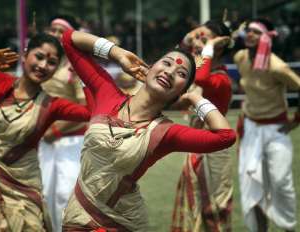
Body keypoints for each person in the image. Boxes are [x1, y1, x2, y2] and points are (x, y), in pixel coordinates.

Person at [59, 29, 237, 231]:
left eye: (181, 74)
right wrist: (118, 54)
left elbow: (225, 136)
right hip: (77, 217)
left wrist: (196, 98)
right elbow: (68, 39)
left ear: (181, 91)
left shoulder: (166, 133)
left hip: (120, 222)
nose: (170, 72)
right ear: (150, 68)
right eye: (166, 63)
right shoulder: (106, 93)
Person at [0, 33, 91, 231]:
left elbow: (91, 112)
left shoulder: (50, 105)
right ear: (25, 55)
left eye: (52, 62)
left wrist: (82, 73)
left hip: (25, 189)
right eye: (39, 56)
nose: (43, 65)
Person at [234, 18, 300, 232]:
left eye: (256, 31)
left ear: (266, 37)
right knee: (251, 182)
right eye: (248, 31)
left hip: (276, 129)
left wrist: (295, 121)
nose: (250, 34)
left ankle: (288, 227)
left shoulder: (277, 66)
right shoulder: (240, 57)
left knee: (281, 183)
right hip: (250, 127)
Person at [171, 20, 234, 232]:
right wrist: (191, 38)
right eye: (197, 37)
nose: (197, 43)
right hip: (195, 145)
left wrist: (207, 47)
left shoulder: (221, 79)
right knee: (193, 206)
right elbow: (174, 59)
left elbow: (201, 77)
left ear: (218, 47)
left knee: (215, 209)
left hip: (214, 150)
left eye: (204, 40)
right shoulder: (200, 68)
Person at [38, 16, 87, 232]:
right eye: (53, 29)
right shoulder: (42, 63)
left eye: (61, 30)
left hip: (71, 141)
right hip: (43, 140)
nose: (56, 34)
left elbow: (87, 109)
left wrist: (57, 130)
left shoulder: (76, 66)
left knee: (67, 195)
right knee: (44, 194)